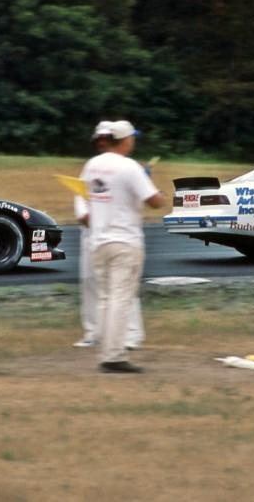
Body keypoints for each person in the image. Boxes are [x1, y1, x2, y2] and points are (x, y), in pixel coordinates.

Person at [80, 120, 164, 373]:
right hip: (125, 240)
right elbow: (154, 202)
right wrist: (157, 190)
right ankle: (114, 356)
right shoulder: (129, 167)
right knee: (121, 299)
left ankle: (106, 351)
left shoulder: (92, 164)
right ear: (126, 140)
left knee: (105, 299)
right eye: (132, 138)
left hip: (98, 240)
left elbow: (88, 194)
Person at [73, 122, 145, 349]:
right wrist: (85, 216)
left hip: (116, 235)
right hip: (94, 234)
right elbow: (81, 194)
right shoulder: (93, 165)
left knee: (121, 288)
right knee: (91, 283)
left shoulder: (126, 166)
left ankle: (130, 335)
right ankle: (95, 332)